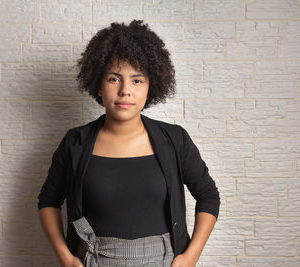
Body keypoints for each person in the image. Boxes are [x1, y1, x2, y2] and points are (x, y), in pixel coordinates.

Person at [37, 20, 220, 267]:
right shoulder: (75, 142)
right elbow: (48, 201)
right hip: (94, 259)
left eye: (137, 80)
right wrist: (66, 259)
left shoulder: (174, 140)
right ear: (98, 85)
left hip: (163, 260)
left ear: (150, 86)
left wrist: (190, 257)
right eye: (114, 79)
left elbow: (208, 195)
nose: (125, 91)